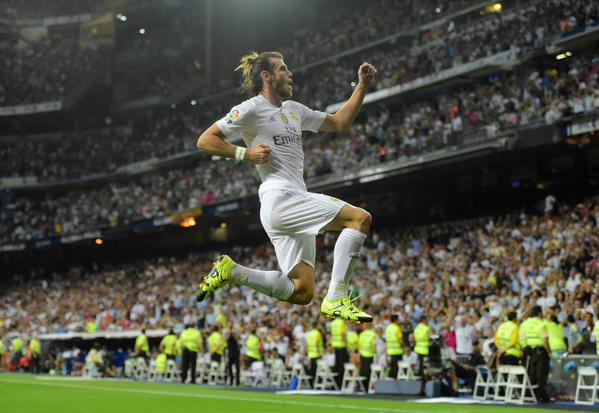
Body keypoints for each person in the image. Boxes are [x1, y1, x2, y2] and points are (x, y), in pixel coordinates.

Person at [195, 51, 377, 323]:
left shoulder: (295, 110)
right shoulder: (251, 108)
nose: (290, 73)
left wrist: (362, 86)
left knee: (302, 292)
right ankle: (337, 297)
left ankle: (232, 272)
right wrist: (245, 153)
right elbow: (205, 140)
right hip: (279, 197)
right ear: (267, 76)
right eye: (283, 69)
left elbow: (339, 123)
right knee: (359, 219)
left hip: (290, 202)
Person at [520, 306, 551, 403]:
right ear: (539, 313)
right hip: (541, 351)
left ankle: (530, 395)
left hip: (530, 351)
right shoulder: (542, 324)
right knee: (541, 374)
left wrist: (525, 347)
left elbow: (521, 337)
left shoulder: (525, 324)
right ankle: (541, 396)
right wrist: (549, 352)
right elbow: (545, 339)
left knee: (531, 373)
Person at [358, 324, 378, 390]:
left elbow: (359, 346)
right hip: (370, 355)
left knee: (362, 371)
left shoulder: (362, 334)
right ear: (371, 326)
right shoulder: (373, 334)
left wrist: (359, 354)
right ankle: (368, 387)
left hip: (362, 354)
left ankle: (363, 386)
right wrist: (376, 354)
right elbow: (374, 345)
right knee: (369, 372)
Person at [330, 317, 348, 388]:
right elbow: (343, 334)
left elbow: (332, 334)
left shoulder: (333, 323)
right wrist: (347, 345)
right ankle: (340, 383)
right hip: (342, 345)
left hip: (335, 345)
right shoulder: (342, 323)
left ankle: (335, 382)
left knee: (337, 364)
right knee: (341, 365)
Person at [385, 314, 404, 378]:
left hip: (390, 351)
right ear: (396, 320)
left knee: (392, 368)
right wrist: (403, 347)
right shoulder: (397, 328)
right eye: (398, 319)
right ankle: (396, 382)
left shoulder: (388, 328)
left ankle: (391, 381)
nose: (399, 321)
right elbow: (400, 341)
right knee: (397, 370)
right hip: (397, 352)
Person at [306, 322, 324, 387]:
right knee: (318, 371)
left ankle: (312, 384)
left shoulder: (310, 334)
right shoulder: (317, 334)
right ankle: (318, 383)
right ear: (316, 326)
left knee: (312, 370)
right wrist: (320, 353)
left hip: (310, 354)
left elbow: (307, 344)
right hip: (316, 354)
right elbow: (317, 344)